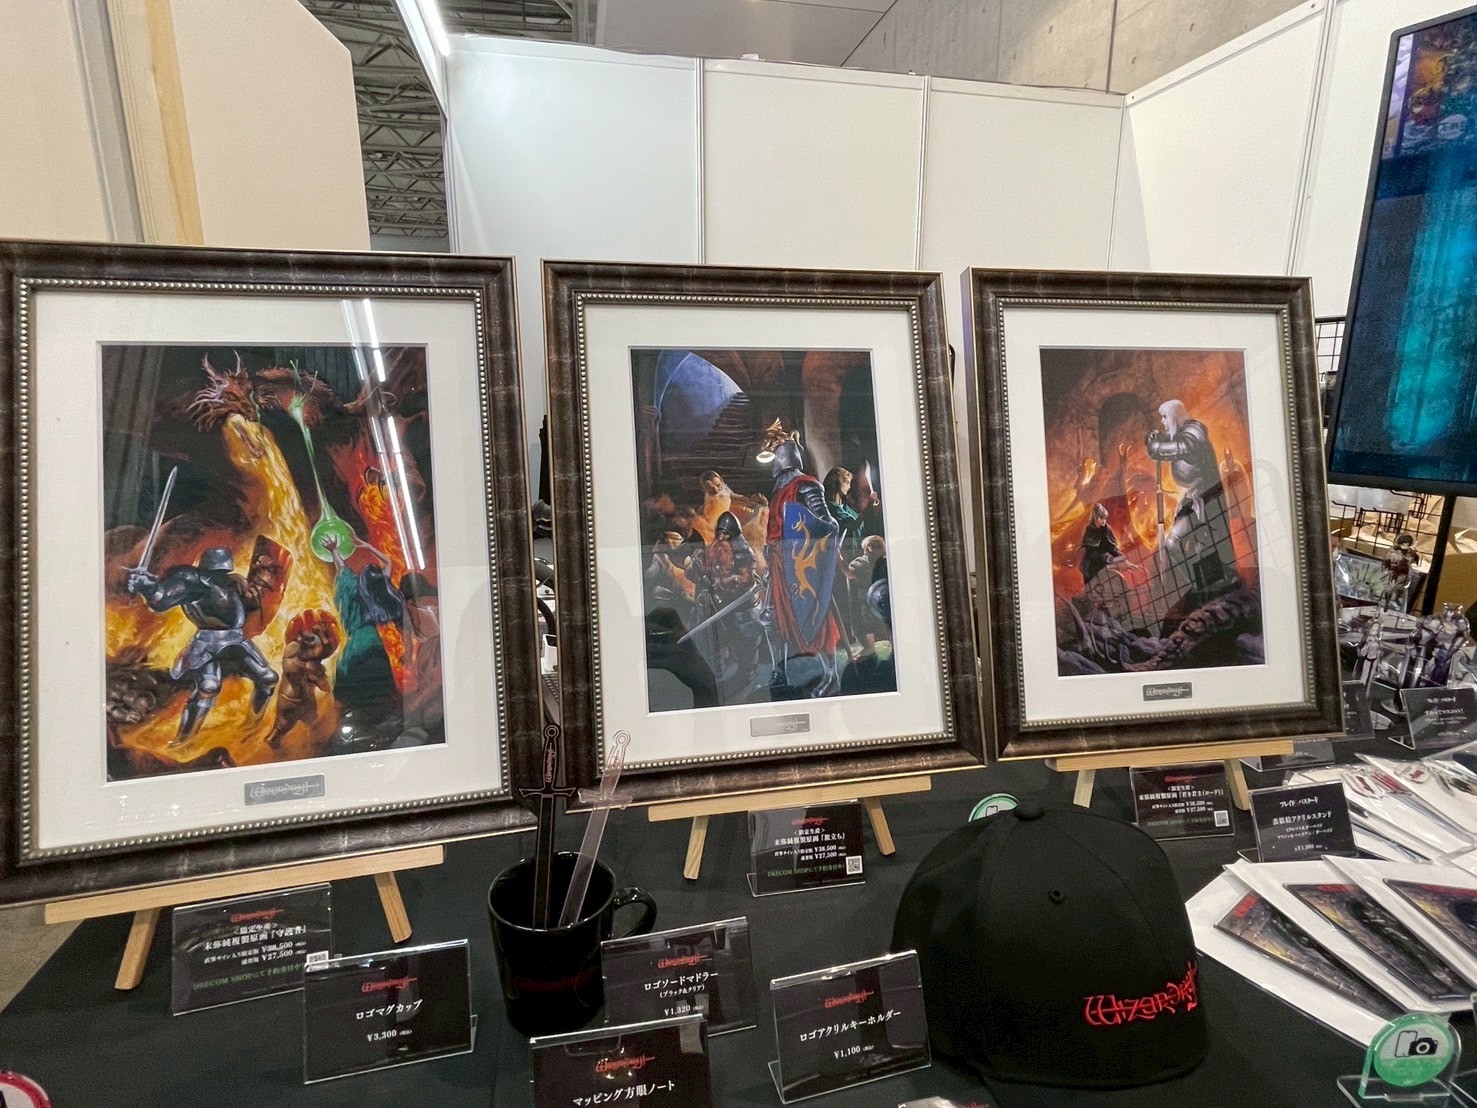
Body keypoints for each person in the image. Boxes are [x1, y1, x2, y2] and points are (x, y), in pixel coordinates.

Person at [126, 547, 280, 744]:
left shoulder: (232, 582)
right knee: (208, 687)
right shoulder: (191, 582)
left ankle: (252, 726)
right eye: (215, 573)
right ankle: (184, 740)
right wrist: (147, 587)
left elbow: (244, 606)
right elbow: (161, 599)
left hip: (236, 640)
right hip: (207, 643)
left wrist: (253, 595)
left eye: (222, 573)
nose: (218, 577)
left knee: (268, 678)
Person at [761, 434, 843, 697]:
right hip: (779, 564)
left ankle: (831, 676)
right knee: (773, 618)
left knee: (816, 619)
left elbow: (827, 524)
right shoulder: (777, 492)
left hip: (802, 566)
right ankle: (780, 670)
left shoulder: (806, 485)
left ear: (783, 459)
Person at [1078, 503, 1123, 588]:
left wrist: (1121, 557)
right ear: (1095, 518)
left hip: (1103, 566)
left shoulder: (1107, 529)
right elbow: (1091, 553)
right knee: (1093, 588)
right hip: (1091, 568)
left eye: (1105, 518)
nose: (1104, 521)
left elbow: (1112, 547)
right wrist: (1106, 557)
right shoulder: (1090, 531)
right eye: (1101, 518)